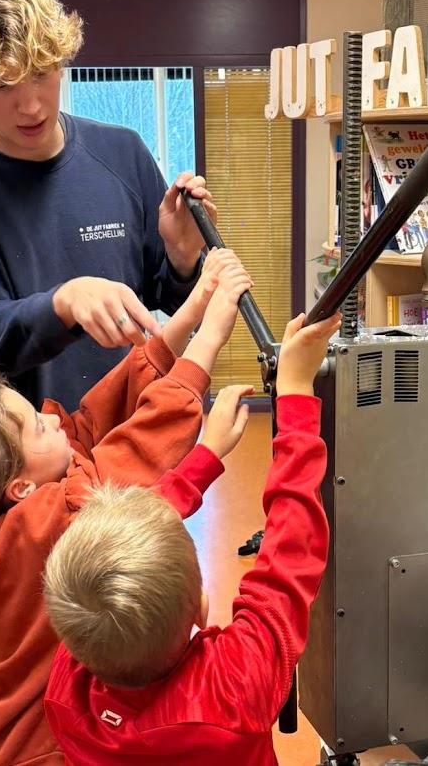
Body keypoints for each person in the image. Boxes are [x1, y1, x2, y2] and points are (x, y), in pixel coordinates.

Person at [0, 0, 217, 638]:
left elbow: (157, 291)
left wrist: (182, 255)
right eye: (1, 85)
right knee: (32, 689)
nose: (32, 103)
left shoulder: (121, 151)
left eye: (43, 73)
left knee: (142, 662)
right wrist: (63, 299)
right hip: (15, 484)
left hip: (123, 456)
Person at [0, 252, 252, 766]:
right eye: (37, 427)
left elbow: (99, 416)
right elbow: (134, 459)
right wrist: (213, 342)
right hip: (31, 751)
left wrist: (195, 306)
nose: (53, 420)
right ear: (19, 487)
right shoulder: (48, 524)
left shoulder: (8, 514)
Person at [42, 310, 341, 766]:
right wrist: (296, 395)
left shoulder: (68, 691)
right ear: (201, 608)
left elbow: (283, 551)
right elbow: (289, 553)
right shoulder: (234, 685)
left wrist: (206, 456)